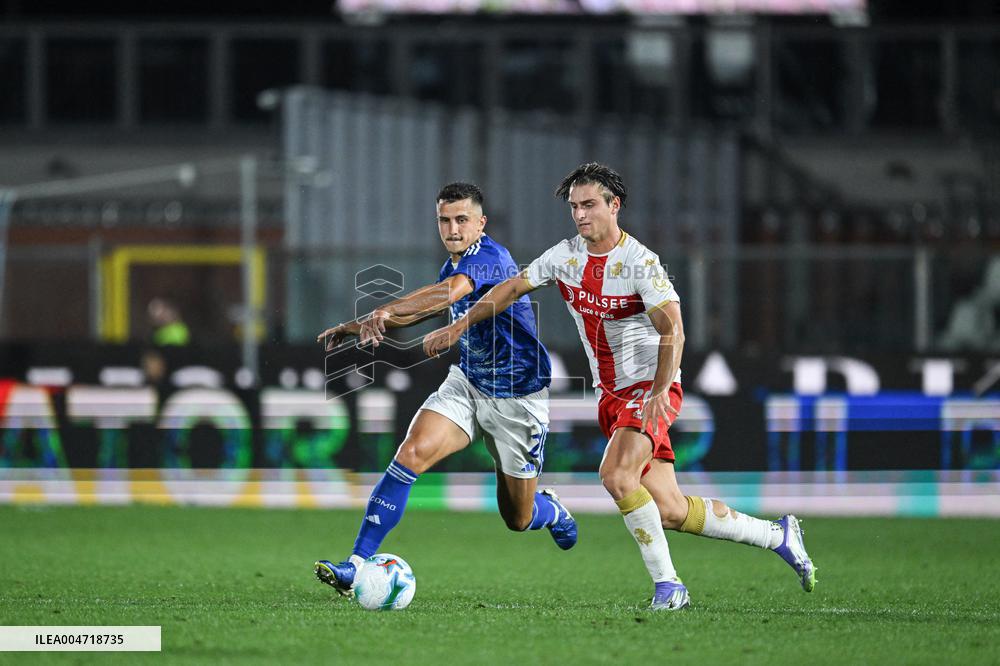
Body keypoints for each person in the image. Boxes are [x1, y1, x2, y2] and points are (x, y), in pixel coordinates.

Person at [424, 163, 816, 610]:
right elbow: (512, 288)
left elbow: (675, 331)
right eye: (574, 207)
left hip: (651, 390)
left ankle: (670, 587)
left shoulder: (641, 265)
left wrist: (657, 392)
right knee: (668, 508)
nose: (580, 215)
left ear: (614, 205)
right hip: (611, 395)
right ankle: (777, 535)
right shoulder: (565, 257)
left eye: (589, 205)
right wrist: (460, 327)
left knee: (616, 475)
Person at [314, 182, 577, 596]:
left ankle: (550, 510)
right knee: (410, 453)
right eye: (444, 220)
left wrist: (389, 309)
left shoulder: (489, 257)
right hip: (469, 382)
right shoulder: (454, 265)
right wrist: (357, 324)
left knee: (518, 517)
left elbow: (448, 295)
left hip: (517, 395)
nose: (452, 228)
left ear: (480, 223)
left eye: (461, 220)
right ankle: (355, 566)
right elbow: (425, 307)